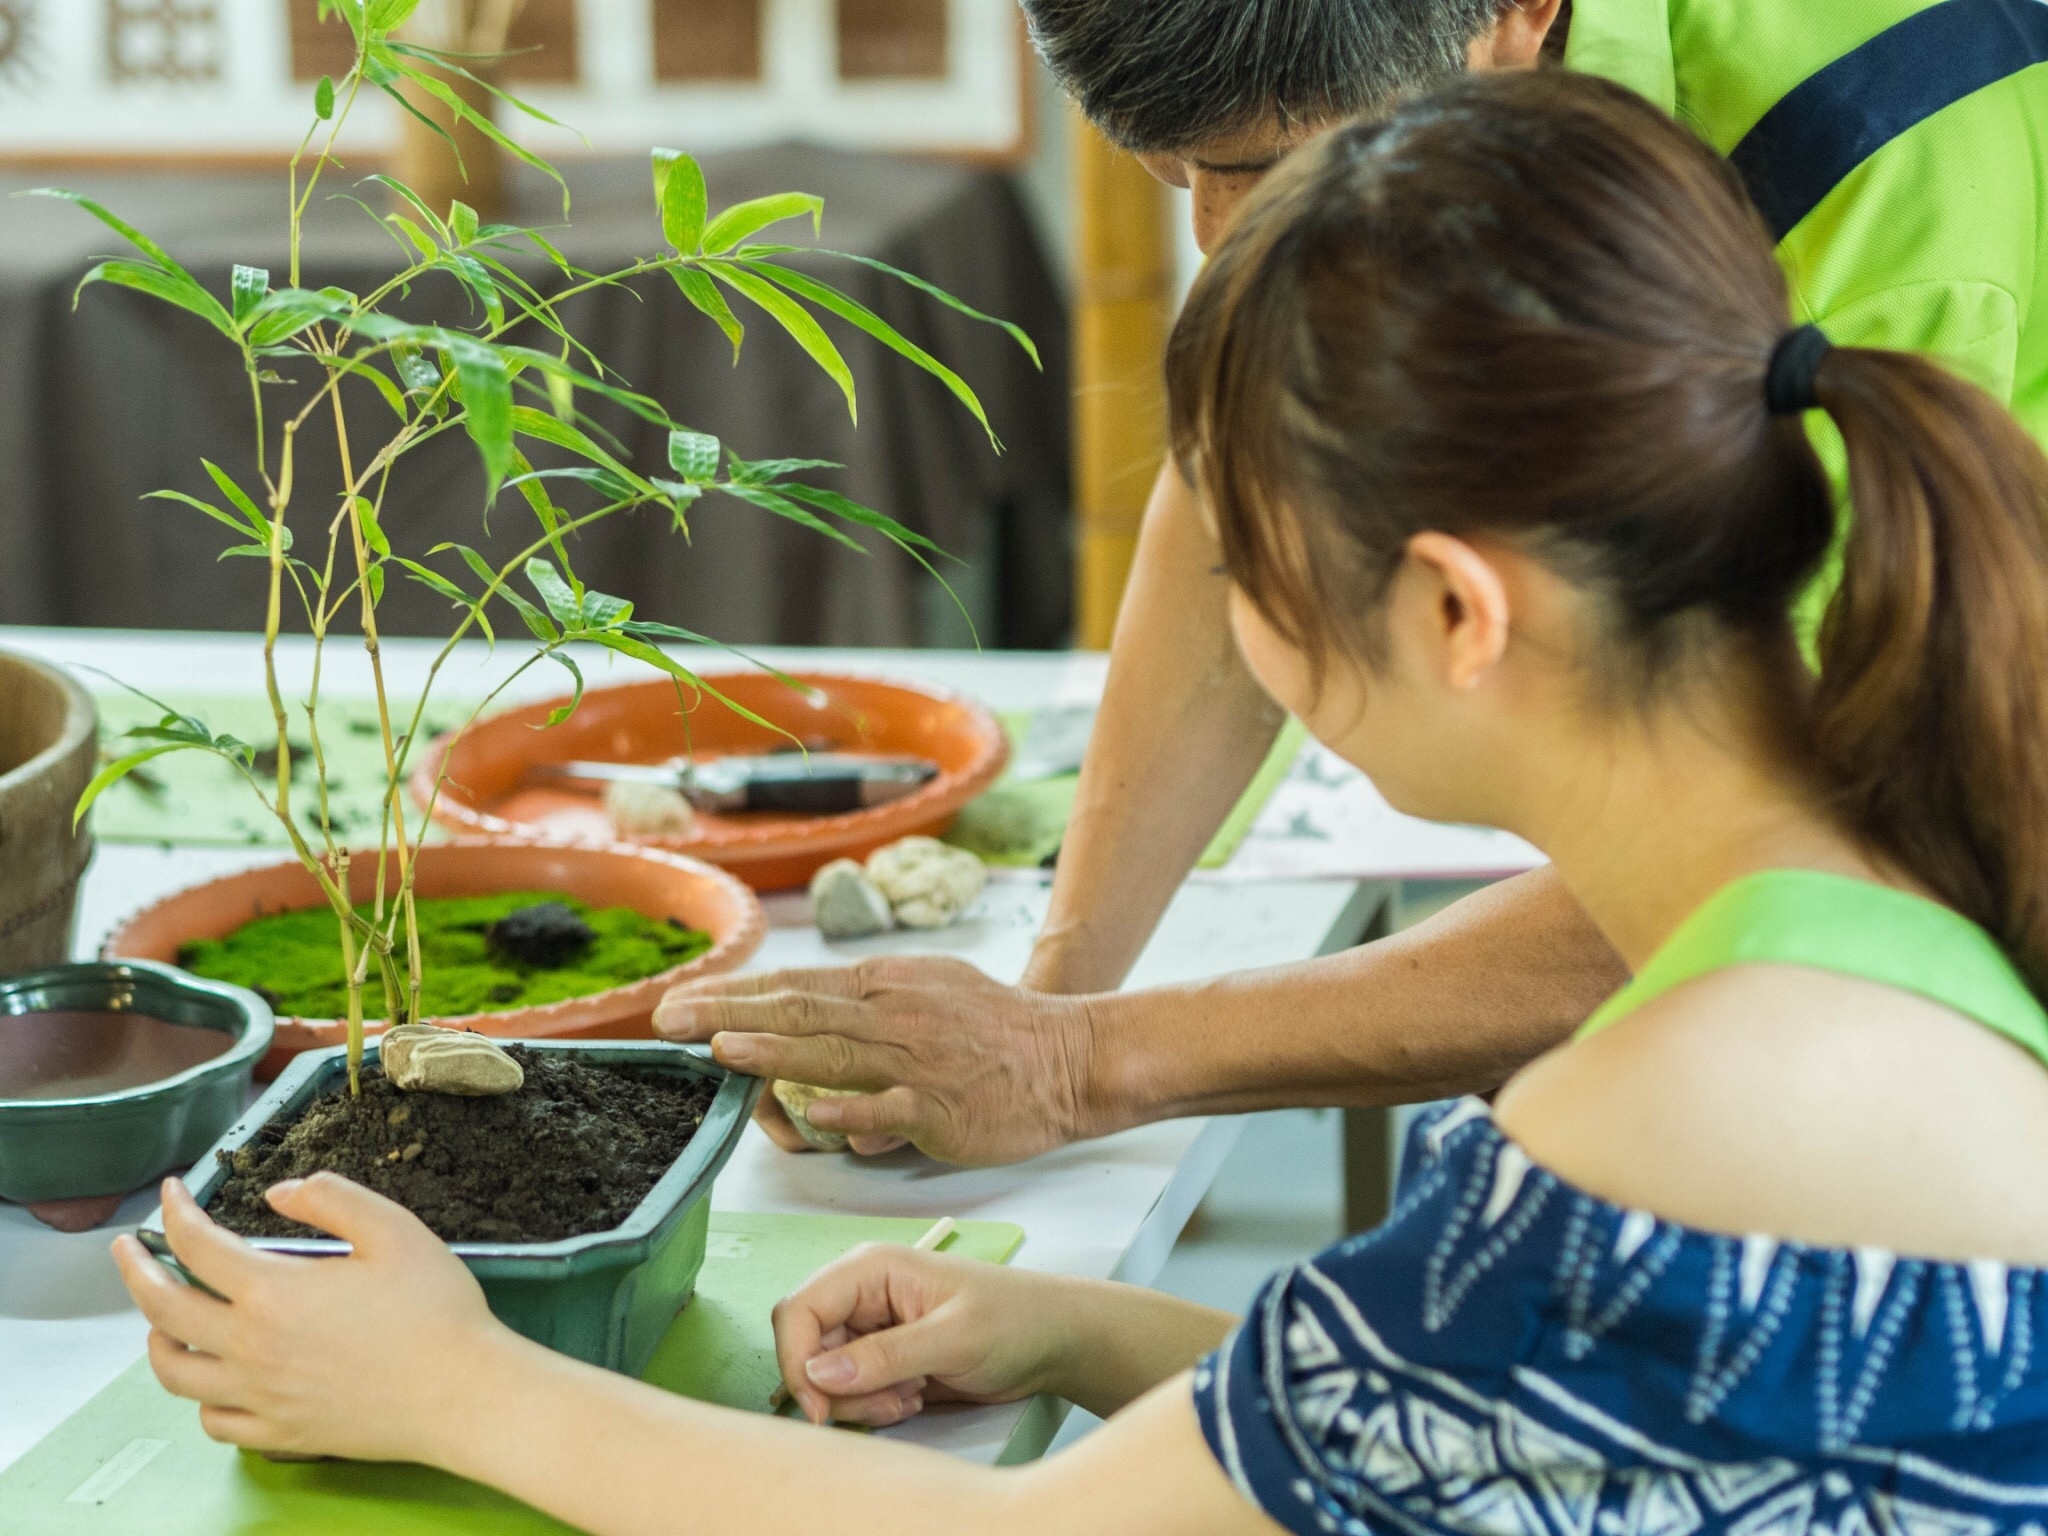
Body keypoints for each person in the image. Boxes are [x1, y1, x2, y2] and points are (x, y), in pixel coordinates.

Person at [117, 71, 2048, 1535]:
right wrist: (1075, 1332)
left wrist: (458, 1390)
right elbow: (1522, 1417)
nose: (1246, 641)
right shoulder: (1886, 917)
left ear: (1455, 610)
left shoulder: (1694, 1093)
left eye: (1251, 575)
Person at [652, 0, 2048, 1167]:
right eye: (1168, 173)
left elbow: (1800, 864)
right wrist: (1039, 1000)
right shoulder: (1365, 69)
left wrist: (1087, 1064)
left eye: (1254, 170)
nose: (1210, 238)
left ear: (1518, 17)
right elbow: (1249, 454)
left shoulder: (1895, 169)